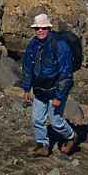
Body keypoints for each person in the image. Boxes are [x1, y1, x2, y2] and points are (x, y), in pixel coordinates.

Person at [21, 13, 78, 157]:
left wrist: (59, 96)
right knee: (37, 119)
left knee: (56, 121)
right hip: (40, 88)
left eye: (43, 28)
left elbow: (66, 73)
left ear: (49, 28)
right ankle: (42, 145)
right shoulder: (33, 44)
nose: (40, 31)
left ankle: (70, 136)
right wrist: (26, 88)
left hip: (56, 88)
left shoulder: (60, 45)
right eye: (37, 28)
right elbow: (27, 68)